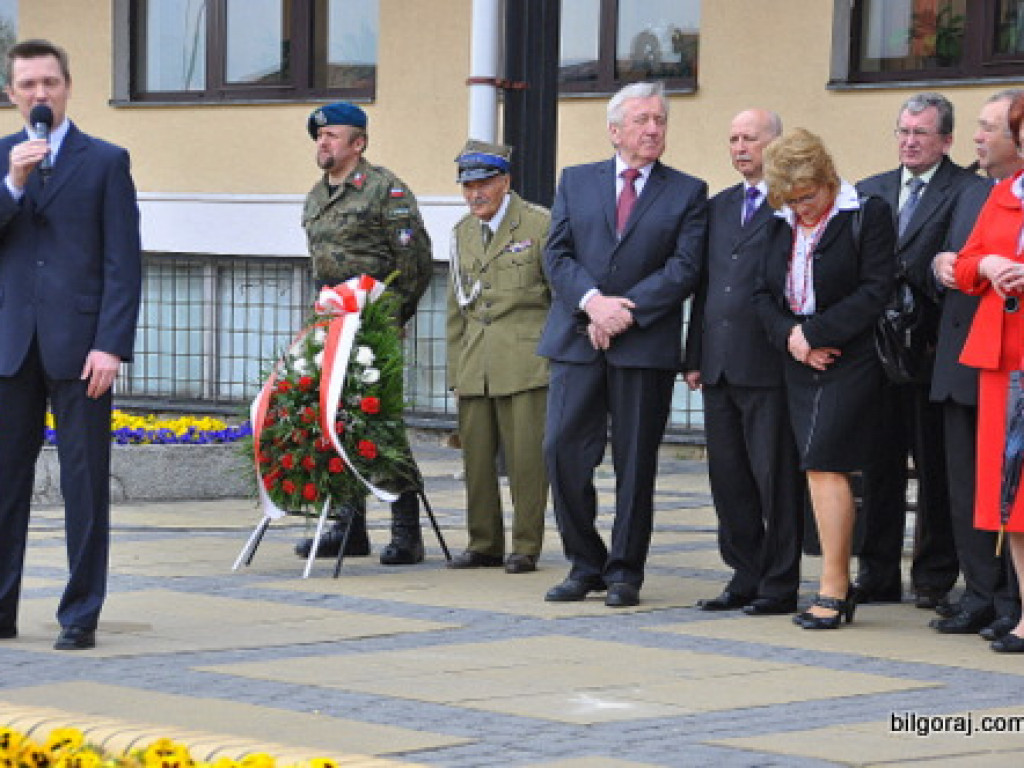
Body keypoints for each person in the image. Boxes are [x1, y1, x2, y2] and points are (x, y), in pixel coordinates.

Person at [538, 81, 707, 608]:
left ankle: (624, 572)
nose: (653, 129)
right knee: (561, 451)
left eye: (660, 120)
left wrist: (623, 313)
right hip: (577, 339)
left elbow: (684, 268)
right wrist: (592, 304)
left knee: (635, 464)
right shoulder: (576, 180)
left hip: (643, 345)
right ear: (615, 131)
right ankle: (584, 562)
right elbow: (556, 254)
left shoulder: (688, 191)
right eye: (642, 120)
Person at [0, 39, 142, 650]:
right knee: (4, 484)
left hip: (83, 350)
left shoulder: (105, 161)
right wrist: (12, 184)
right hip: (10, 346)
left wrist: (110, 344)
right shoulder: (3, 159)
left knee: (84, 486)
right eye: (28, 84)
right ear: (12, 94)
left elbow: (123, 262)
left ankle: (80, 613)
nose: (40, 93)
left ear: (67, 87)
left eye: (50, 83)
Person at [754, 128, 894, 629]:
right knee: (814, 465)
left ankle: (835, 585)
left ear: (828, 178)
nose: (801, 208)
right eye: (791, 200)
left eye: (808, 196)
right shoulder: (778, 220)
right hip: (798, 356)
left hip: (851, 357)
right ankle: (836, 582)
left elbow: (876, 289)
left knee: (825, 461)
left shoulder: (867, 213)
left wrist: (814, 334)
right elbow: (761, 293)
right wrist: (793, 337)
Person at [855, 93, 985, 613]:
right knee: (877, 465)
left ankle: (933, 578)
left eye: (921, 133)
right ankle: (877, 574)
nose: (909, 142)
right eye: (903, 132)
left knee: (935, 470)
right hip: (876, 352)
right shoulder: (870, 190)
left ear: (946, 140)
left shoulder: (969, 191)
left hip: (933, 351)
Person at [297, 101, 433, 565]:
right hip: (330, 325)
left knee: (380, 424)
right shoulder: (317, 195)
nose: (323, 143)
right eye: (319, 136)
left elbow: (414, 263)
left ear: (358, 143)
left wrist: (392, 317)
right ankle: (348, 527)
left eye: (332, 135)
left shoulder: (384, 190)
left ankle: (406, 530)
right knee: (334, 421)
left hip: (373, 325)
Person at [684, 109, 804, 615]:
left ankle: (779, 584)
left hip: (768, 365)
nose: (739, 147)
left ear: (775, 143)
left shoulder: (792, 206)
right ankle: (744, 573)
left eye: (750, 138)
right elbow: (705, 285)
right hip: (718, 364)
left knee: (774, 479)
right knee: (729, 478)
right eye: (733, 138)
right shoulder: (719, 206)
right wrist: (693, 355)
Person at [929, 90, 1024, 638]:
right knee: (984, 488)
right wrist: (966, 263)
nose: (978, 137)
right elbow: (957, 259)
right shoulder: (982, 191)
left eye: (990, 128)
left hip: (1012, 356)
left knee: (1015, 488)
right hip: (978, 355)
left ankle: (1012, 602)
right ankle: (986, 595)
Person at [446, 140, 551, 574]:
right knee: (476, 459)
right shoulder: (462, 232)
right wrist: (456, 371)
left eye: (484, 184)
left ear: (505, 182)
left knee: (527, 460)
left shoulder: (539, 224)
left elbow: (558, 297)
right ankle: (484, 542)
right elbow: (456, 310)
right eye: (468, 186)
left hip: (526, 361)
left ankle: (525, 545)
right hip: (476, 362)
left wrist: (554, 360)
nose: (475, 194)